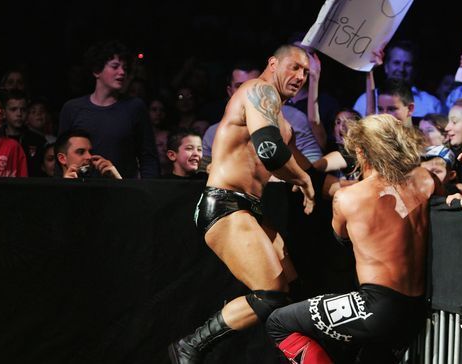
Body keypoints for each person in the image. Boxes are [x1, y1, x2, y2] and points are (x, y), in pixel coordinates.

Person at [168, 44, 315, 363]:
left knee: (291, 292)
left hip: (249, 207)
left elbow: (304, 165)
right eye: (294, 67)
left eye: (306, 72)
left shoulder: (282, 119)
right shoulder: (258, 90)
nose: (300, 76)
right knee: (270, 294)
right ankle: (190, 346)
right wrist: (303, 181)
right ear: (273, 63)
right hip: (225, 203)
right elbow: (271, 153)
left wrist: (352, 171)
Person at [265, 114, 441, 363]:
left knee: (278, 322)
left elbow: (341, 239)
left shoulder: (349, 198)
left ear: (360, 151)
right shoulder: (424, 179)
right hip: (415, 309)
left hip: (376, 307)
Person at [58, 39, 159, 179]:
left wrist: (149, 193)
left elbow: (148, 157)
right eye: (115, 66)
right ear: (96, 71)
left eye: (124, 68)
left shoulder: (135, 107)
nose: (122, 72)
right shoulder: (73, 108)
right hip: (81, 192)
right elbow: (61, 156)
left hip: (122, 192)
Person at [353, 40, 442, 119]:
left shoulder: (431, 104)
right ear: (386, 67)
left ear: (415, 69)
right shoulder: (364, 101)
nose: (401, 69)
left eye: (407, 64)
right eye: (396, 63)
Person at [3, 89, 48, 177]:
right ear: (4, 112)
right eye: (13, 109)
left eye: (23, 109)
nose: (19, 113)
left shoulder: (38, 140)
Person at [54, 128, 122, 179]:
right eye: (81, 152)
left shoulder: (101, 189)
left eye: (90, 152)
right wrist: (65, 187)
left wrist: (117, 180)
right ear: (62, 158)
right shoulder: (50, 192)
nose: (89, 157)